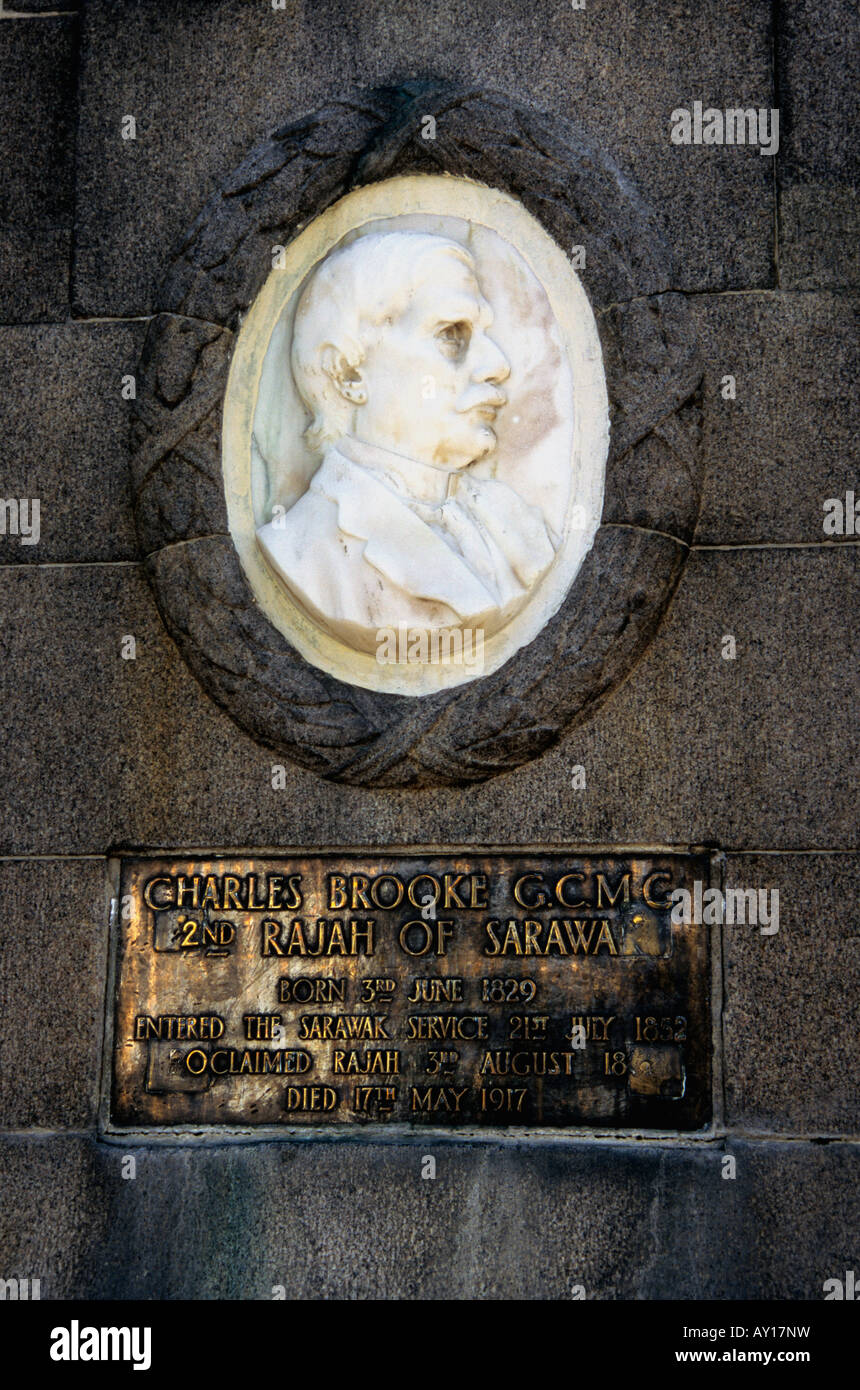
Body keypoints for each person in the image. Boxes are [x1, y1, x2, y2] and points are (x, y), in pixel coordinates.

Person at [256, 230, 556, 655]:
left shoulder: (522, 527)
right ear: (348, 374)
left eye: (483, 334)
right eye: (452, 333)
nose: (497, 365)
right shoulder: (302, 553)